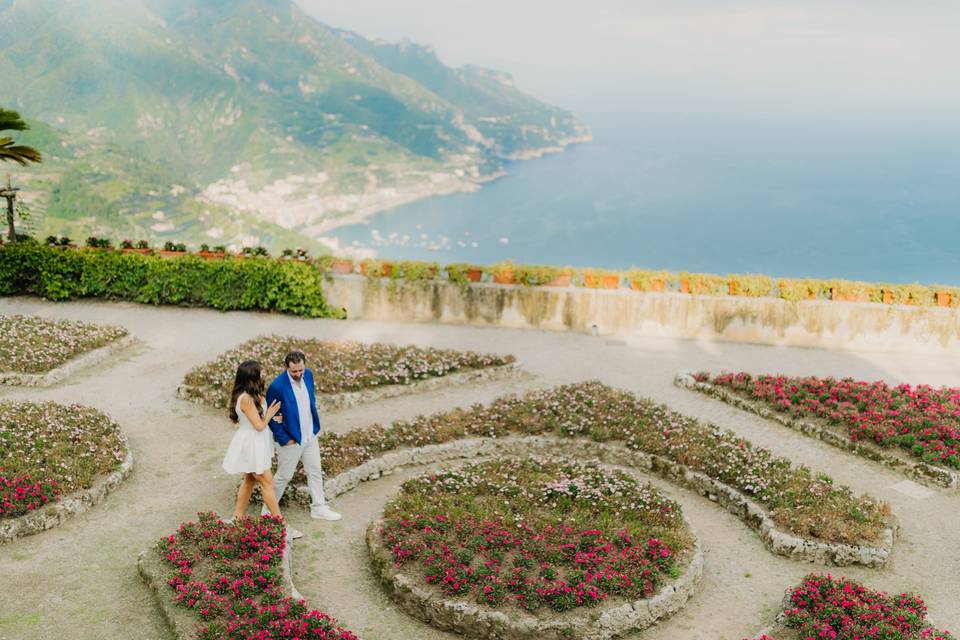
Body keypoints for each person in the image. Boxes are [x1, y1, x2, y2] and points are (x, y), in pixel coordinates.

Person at [263, 350, 342, 521]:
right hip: (290, 440)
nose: (298, 374)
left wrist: (314, 429)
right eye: (294, 372)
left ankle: (319, 508)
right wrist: (285, 439)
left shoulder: (309, 375)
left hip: (310, 435)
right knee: (284, 475)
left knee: (315, 471)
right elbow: (271, 418)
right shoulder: (277, 387)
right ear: (287, 368)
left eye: (301, 370)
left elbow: (309, 402)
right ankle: (267, 512)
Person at [222, 360, 287, 525]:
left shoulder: (255, 394)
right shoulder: (246, 399)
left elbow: (260, 420)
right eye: (260, 372)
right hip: (251, 443)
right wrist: (270, 413)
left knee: (250, 480)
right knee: (267, 482)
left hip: (258, 442)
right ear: (252, 377)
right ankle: (281, 524)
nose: (263, 375)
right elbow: (258, 426)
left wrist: (272, 416)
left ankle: (237, 517)